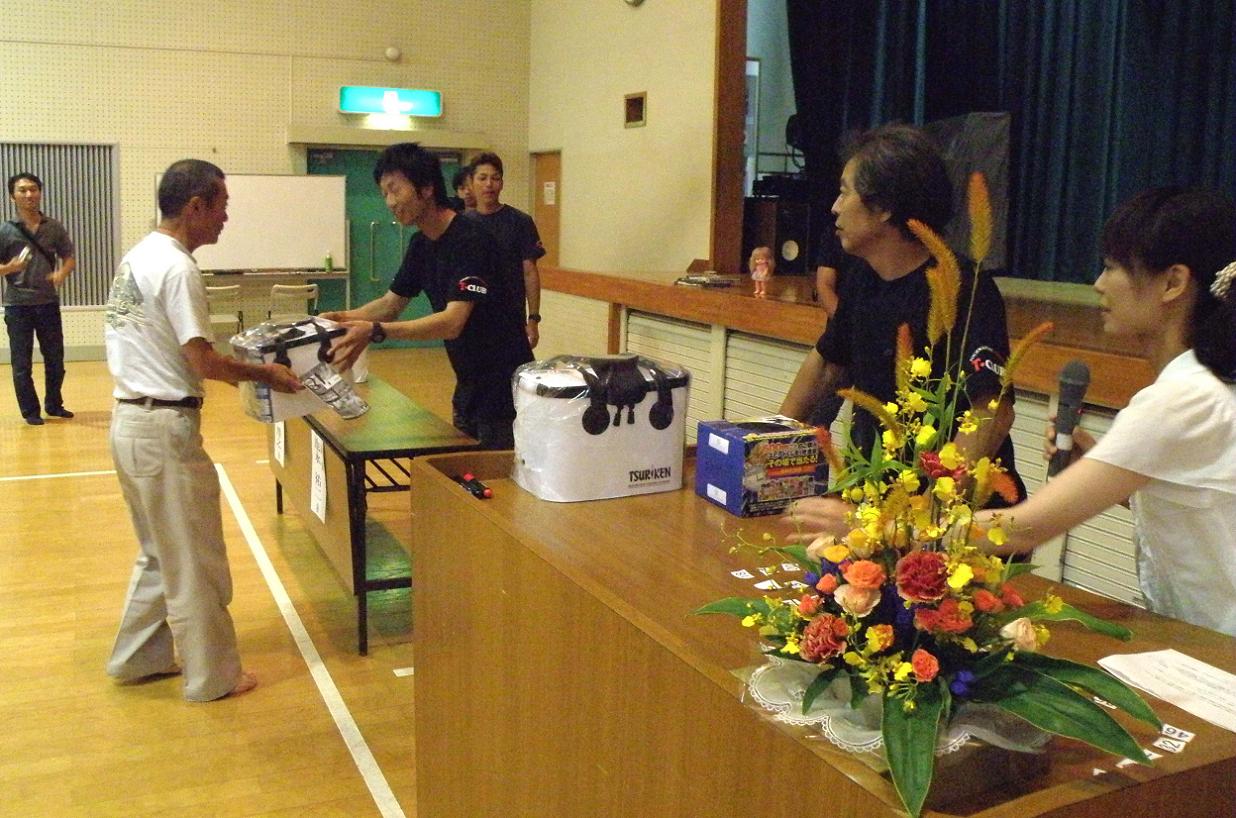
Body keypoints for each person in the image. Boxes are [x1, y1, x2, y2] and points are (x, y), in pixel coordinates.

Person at [970, 187, 1236, 636]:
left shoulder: (1184, 398)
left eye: (1112, 267)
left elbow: (1023, 530)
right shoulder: (1201, 386)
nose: (1098, 283)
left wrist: (888, 528)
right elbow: (1200, 501)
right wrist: (1105, 470)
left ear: (1173, 282)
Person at [104, 159, 302, 701]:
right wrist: (265, 374)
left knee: (160, 552)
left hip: (131, 423)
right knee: (194, 559)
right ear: (195, 206)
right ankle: (213, 677)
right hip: (161, 428)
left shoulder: (138, 256)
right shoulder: (177, 268)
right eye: (221, 206)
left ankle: (137, 658)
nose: (225, 218)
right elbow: (202, 361)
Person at [780, 124, 1024, 517]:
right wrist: (767, 443)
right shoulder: (862, 276)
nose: (835, 207)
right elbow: (826, 363)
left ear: (884, 207)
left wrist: (925, 521)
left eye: (845, 192)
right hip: (878, 507)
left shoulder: (963, 287)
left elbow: (991, 412)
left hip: (953, 521)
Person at [323, 143, 533, 450]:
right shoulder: (421, 244)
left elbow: (452, 322)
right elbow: (390, 305)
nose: (390, 202)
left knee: (494, 474)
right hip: (469, 386)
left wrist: (375, 331)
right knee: (465, 473)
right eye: (384, 193)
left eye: (395, 190)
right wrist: (338, 318)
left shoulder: (471, 239)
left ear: (426, 188)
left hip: (504, 388)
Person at [1, 172, 77, 425]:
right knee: (21, 363)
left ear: (40, 193)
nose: (29, 194)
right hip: (17, 306)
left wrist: (61, 273)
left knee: (55, 359)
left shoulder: (53, 227)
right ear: (13, 197)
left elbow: (69, 257)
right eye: (22, 190)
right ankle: (30, 411)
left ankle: (54, 404)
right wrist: (9, 268)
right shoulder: (5, 230)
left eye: (33, 189)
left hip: (47, 303)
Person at [462, 152, 546, 350]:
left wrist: (533, 318)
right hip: (471, 320)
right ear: (471, 183)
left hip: (511, 319)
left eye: (495, 178)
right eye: (482, 178)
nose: (489, 184)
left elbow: (530, 272)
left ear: (502, 183)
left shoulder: (520, 221)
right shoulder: (461, 225)